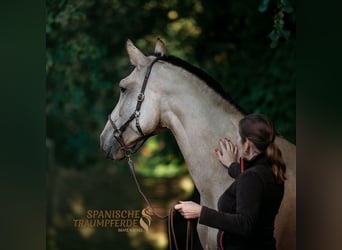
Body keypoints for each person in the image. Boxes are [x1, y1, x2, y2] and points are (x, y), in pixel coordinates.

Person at [174, 114, 286, 250]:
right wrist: (232, 165)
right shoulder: (271, 171)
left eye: (239, 137)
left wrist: (201, 212)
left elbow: (244, 224)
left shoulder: (252, 177)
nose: (237, 141)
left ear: (248, 144)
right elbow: (253, 185)